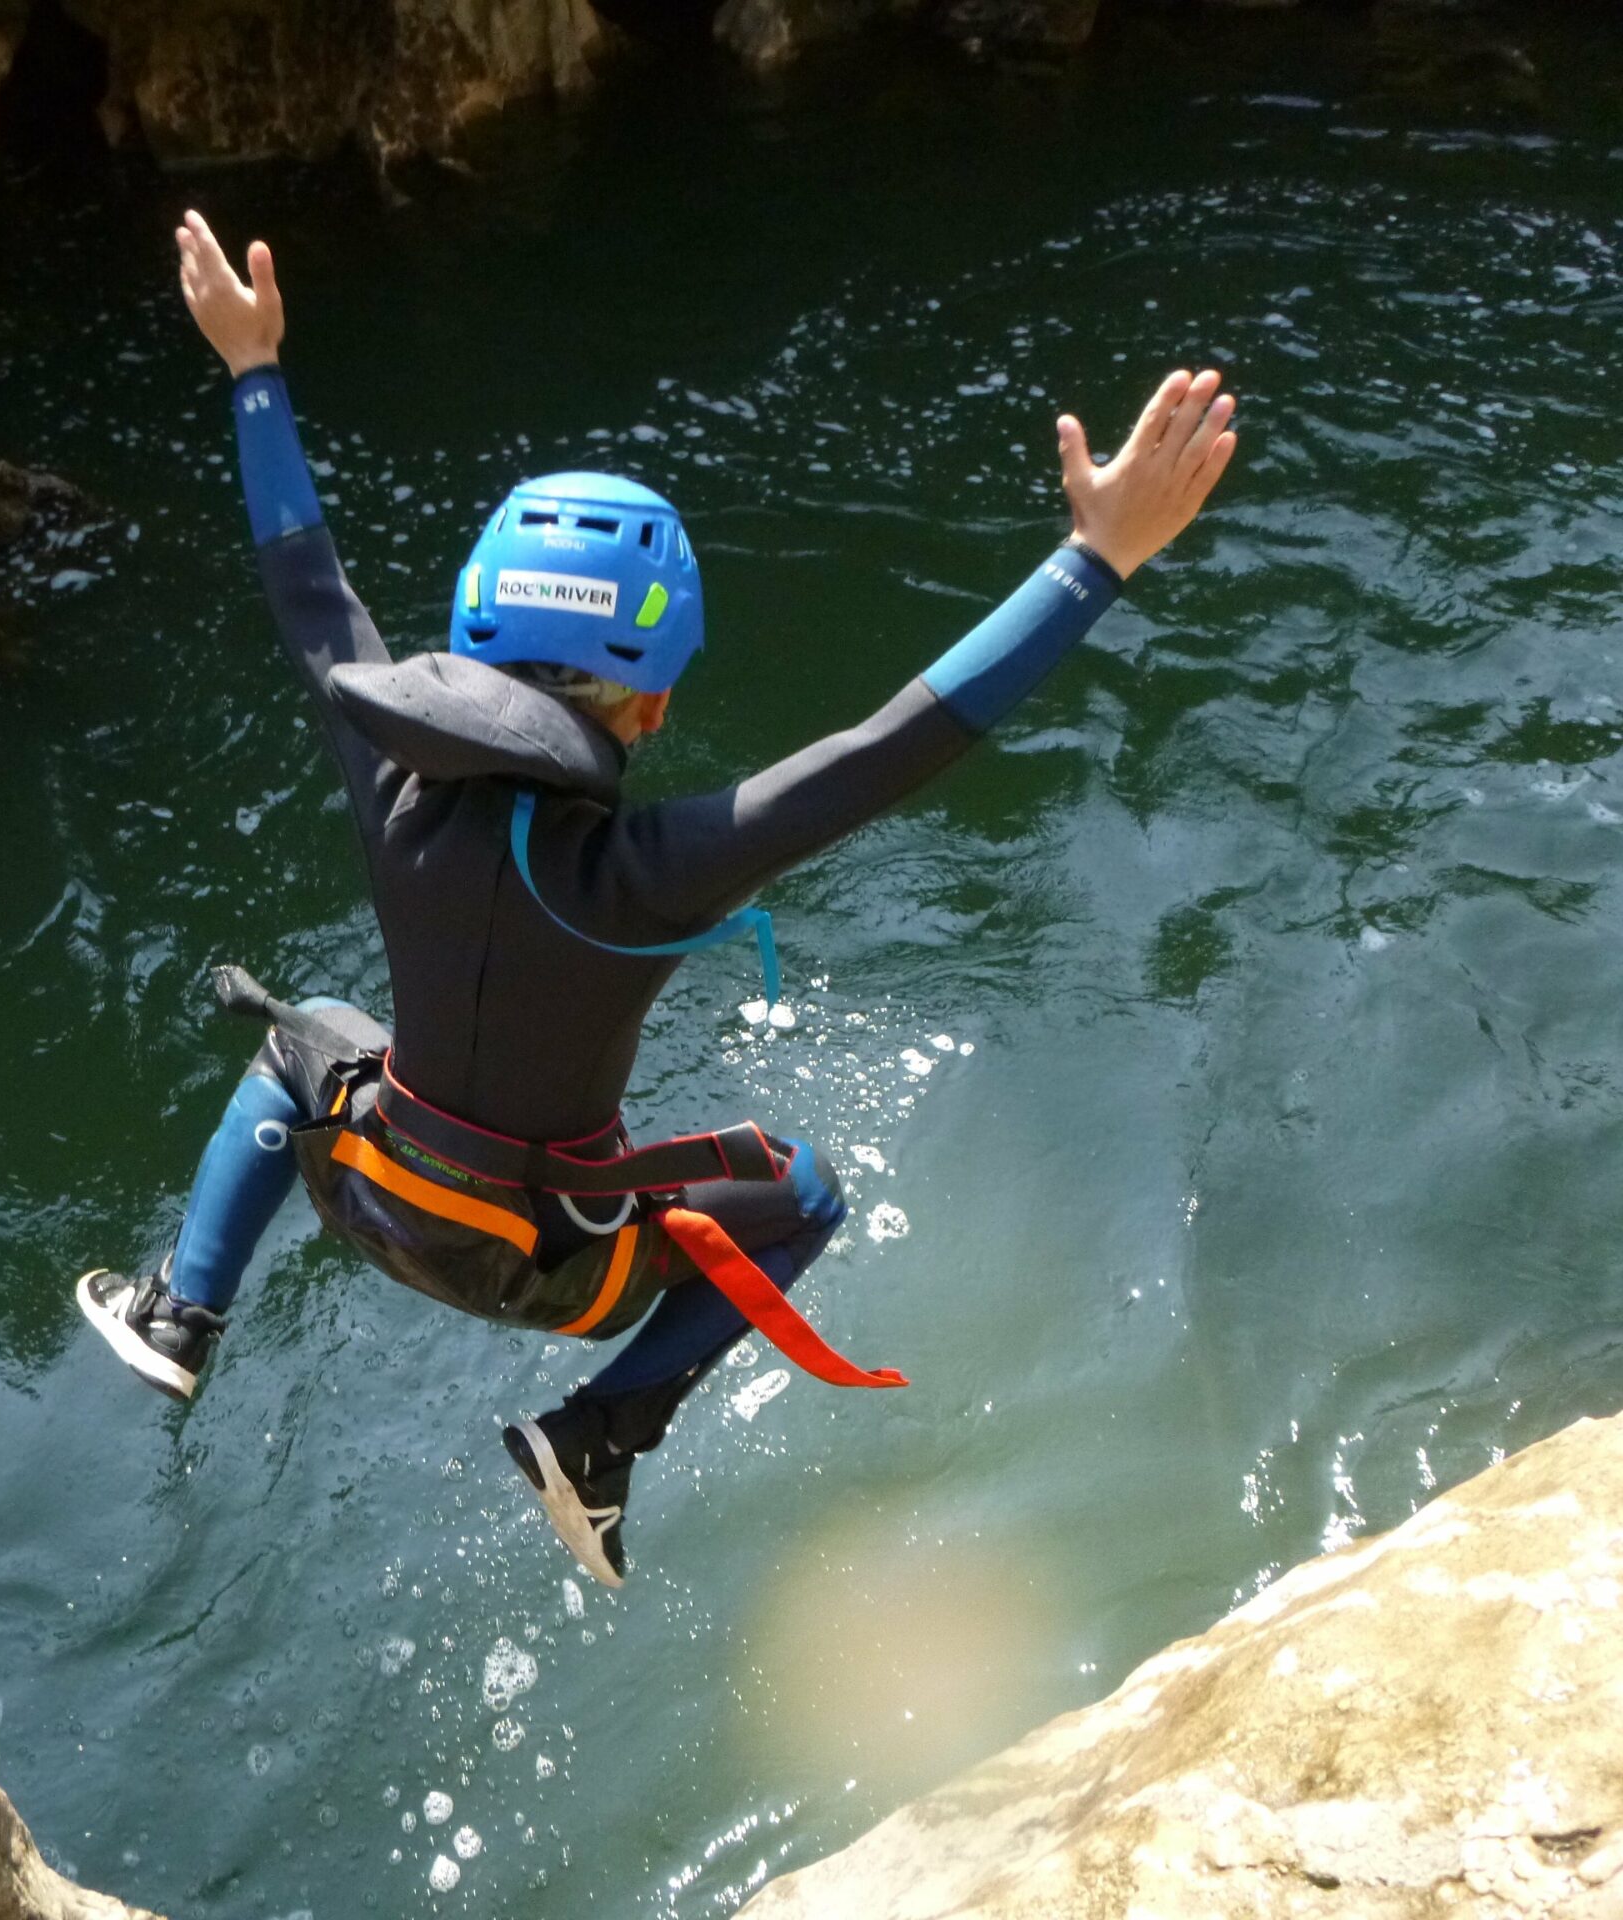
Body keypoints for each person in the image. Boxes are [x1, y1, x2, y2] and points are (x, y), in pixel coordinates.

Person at [79, 210, 1239, 1588]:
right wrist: (1093, 561)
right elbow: (891, 746)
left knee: (306, 1031)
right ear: (659, 697)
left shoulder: (391, 785)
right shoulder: (649, 871)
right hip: (559, 1270)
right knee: (804, 1190)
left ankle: (183, 1312)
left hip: (372, 1193)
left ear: (471, 632)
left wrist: (253, 371)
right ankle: (598, 1436)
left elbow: (309, 588)